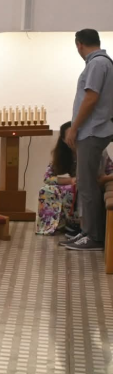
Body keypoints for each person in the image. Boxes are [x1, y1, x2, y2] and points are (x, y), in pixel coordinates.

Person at [62, 29, 113, 251]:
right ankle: (87, 231)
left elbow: (91, 98)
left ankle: (94, 236)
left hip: (92, 131)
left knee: (87, 183)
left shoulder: (97, 63)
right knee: (86, 182)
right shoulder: (101, 62)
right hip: (93, 130)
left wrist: (74, 128)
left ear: (79, 44)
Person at [36, 122, 81, 237]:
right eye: (70, 137)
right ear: (64, 140)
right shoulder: (62, 155)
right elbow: (47, 178)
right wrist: (70, 181)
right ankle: (54, 225)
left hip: (87, 186)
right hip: (73, 185)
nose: (74, 139)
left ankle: (77, 224)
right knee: (47, 189)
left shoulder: (91, 151)